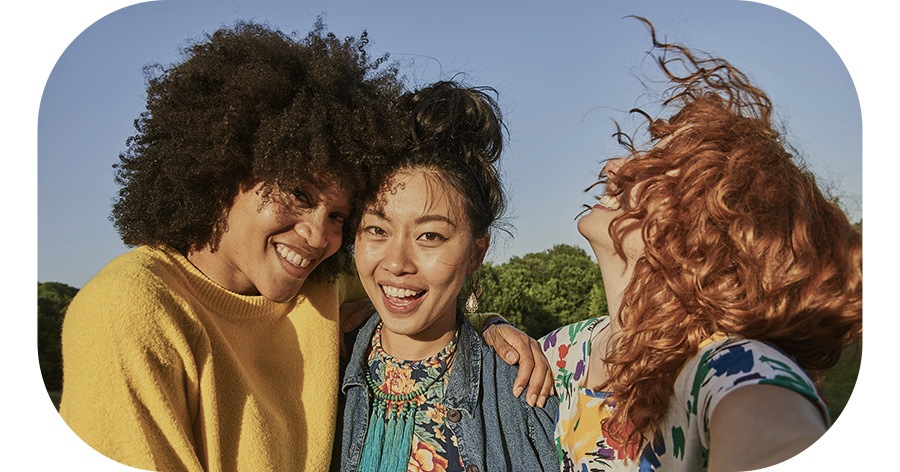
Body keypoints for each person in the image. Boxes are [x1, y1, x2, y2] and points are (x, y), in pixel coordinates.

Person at [58, 21, 548, 472]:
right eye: (298, 194)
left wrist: (490, 326)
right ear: (227, 165)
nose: (319, 237)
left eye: (338, 216)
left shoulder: (317, 283)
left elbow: (418, 284)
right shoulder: (129, 309)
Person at [540, 17, 862, 472]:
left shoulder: (726, 365)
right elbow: (472, 358)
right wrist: (494, 326)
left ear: (701, 230)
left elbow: (773, 433)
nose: (614, 166)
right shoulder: (574, 347)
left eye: (654, 173)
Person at [339, 81, 559, 472]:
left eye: (430, 236)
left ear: (477, 252)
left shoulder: (523, 391)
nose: (396, 262)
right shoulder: (319, 361)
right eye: (377, 230)